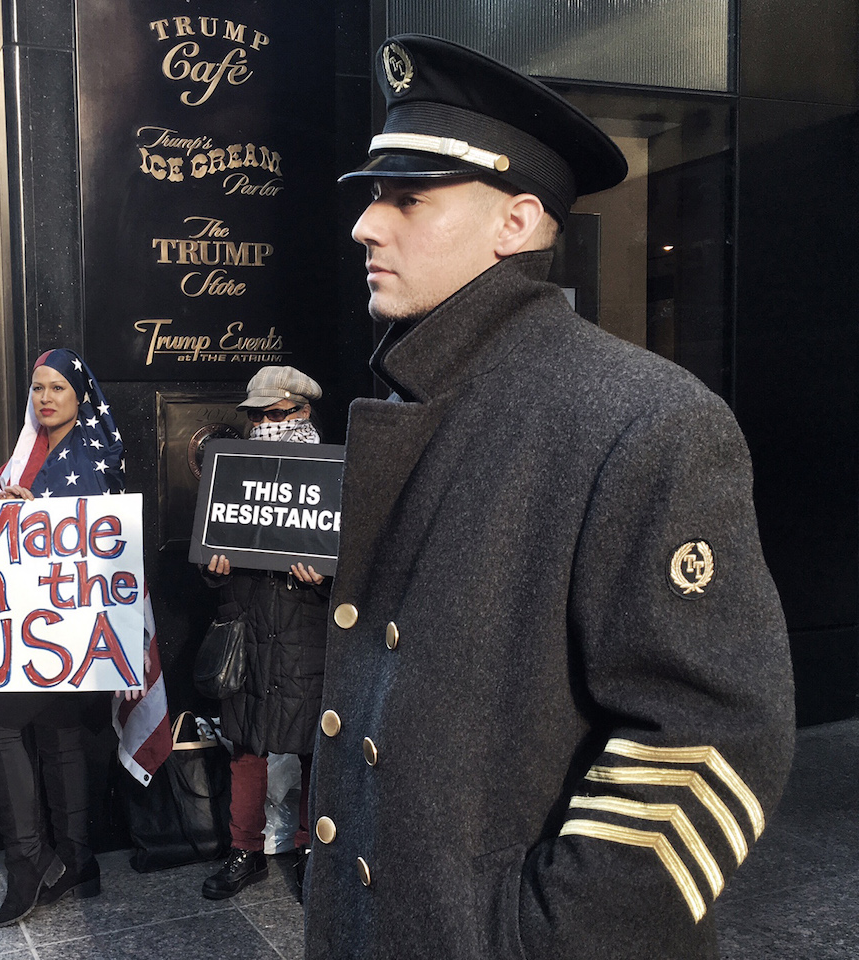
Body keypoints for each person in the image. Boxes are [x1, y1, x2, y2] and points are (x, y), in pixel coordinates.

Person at [304, 35, 796, 960]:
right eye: (375, 196)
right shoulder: (433, 392)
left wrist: (543, 936)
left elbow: (714, 737)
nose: (368, 226)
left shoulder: (644, 418)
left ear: (518, 221)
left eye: (408, 197)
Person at [0, 348, 124, 928]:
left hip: (75, 623)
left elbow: (102, 538)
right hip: (30, 621)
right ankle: (76, 862)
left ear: (80, 395)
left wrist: (39, 517)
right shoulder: (28, 451)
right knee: (58, 729)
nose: (44, 398)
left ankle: (28, 865)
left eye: (57, 388)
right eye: (37, 388)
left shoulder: (94, 454)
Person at [199, 366, 329, 902]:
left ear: (302, 413)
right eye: (257, 417)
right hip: (248, 626)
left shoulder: (335, 475)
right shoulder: (229, 471)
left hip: (307, 631)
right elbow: (207, 543)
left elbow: (362, 561)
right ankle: (243, 850)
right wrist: (214, 568)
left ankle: (308, 849)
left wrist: (325, 579)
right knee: (245, 742)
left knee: (309, 747)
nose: (265, 426)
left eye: (275, 415)